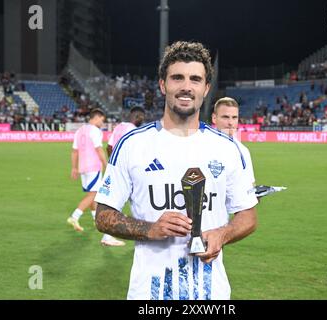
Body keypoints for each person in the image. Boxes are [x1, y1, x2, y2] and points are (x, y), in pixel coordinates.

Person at [94, 41, 258, 300]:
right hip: (148, 296)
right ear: (163, 84)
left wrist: (221, 234)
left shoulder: (229, 149)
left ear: (205, 88)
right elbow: (102, 215)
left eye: (195, 79)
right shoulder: (133, 145)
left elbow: (248, 216)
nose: (186, 86)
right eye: (177, 77)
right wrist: (150, 229)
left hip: (210, 296)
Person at [67, 108, 125, 247]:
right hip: (93, 167)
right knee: (95, 194)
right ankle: (75, 216)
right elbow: (99, 149)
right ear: (97, 117)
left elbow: (74, 151)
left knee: (92, 194)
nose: (102, 123)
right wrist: (107, 164)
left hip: (83, 167)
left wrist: (74, 167)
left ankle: (95, 219)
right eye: (102, 120)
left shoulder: (80, 130)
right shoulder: (95, 131)